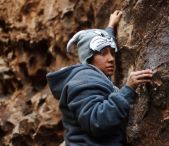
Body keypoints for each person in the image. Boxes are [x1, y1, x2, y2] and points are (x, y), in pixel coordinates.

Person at [47, 10, 153, 146]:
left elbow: (102, 43)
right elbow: (97, 122)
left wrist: (111, 26)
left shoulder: (95, 71)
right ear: (89, 58)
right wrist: (128, 90)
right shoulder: (84, 82)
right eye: (103, 53)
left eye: (112, 53)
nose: (111, 59)